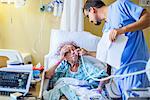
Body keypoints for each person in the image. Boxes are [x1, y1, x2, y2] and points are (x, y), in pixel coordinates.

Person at [83, 0, 150, 99]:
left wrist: (122, 30)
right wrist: (87, 53)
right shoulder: (106, 27)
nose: (89, 21)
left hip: (134, 71)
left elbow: (148, 19)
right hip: (119, 76)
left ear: (92, 10)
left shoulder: (121, 6)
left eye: (88, 16)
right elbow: (107, 55)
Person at [44, 42, 108, 100]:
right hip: (66, 93)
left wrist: (99, 88)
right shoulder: (63, 67)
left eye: (73, 49)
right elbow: (47, 75)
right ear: (65, 57)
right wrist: (60, 59)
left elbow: (103, 77)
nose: (72, 52)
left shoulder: (85, 66)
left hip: (83, 93)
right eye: (68, 51)